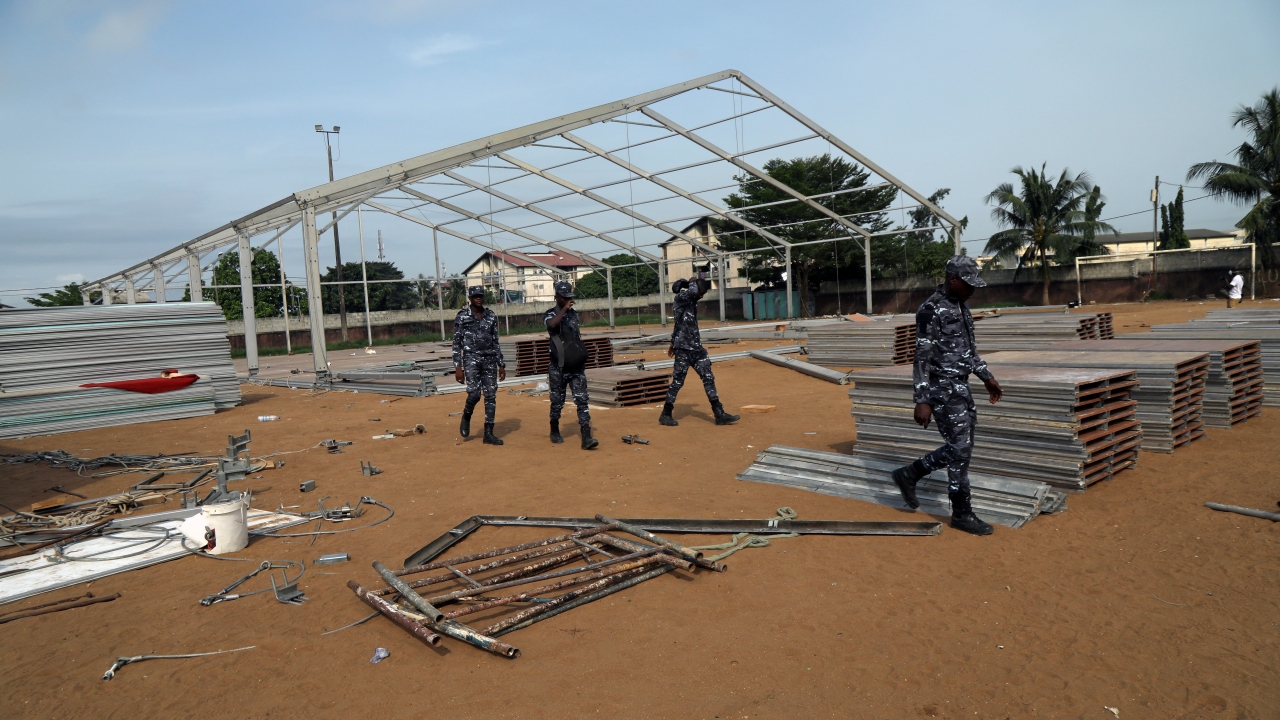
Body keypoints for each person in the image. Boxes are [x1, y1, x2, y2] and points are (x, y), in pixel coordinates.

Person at [890, 256, 1003, 536]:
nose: (973, 290)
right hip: (941, 389)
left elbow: (968, 350)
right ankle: (961, 512)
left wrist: (986, 377)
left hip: (962, 386)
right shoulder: (930, 310)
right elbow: (921, 357)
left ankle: (911, 474)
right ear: (953, 279)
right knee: (960, 448)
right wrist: (922, 399)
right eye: (969, 284)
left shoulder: (961, 305)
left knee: (962, 449)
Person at [658, 275, 740, 427]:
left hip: (696, 348)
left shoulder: (691, 301)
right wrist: (692, 281)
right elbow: (692, 292)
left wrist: (672, 342)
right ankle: (666, 414)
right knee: (678, 382)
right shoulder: (682, 297)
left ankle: (719, 413)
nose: (701, 296)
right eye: (701, 292)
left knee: (708, 377)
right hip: (683, 350)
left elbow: (679, 324)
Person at [544, 280, 598, 450]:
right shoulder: (550, 314)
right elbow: (552, 325)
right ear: (556, 297)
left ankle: (586, 435)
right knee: (557, 402)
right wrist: (564, 310)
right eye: (564, 297)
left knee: (582, 400)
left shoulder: (574, 315)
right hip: (558, 367)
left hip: (575, 366)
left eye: (570, 297)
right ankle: (554, 429)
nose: (568, 300)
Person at [452, 286, 506, 445]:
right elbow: (456, 343)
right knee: (474, 394)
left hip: (489, 359)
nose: (478, 298)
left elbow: (495, 341)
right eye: (475, 296)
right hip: (471, 359)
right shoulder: (462, 316)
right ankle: (467, 415)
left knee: (490, 395)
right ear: (470, 298)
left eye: (480, 296)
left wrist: (501, 363)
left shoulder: (490, 315)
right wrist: (458, 367)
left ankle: (488, 433)